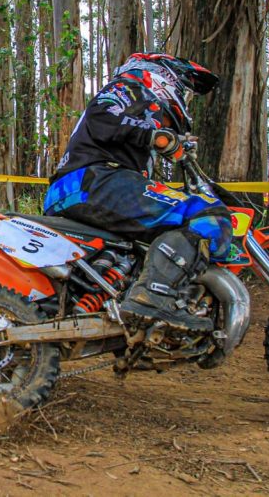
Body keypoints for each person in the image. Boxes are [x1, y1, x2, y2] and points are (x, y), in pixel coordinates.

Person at [43, 52, 232, 333]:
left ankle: (129, 303)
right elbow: (101, 116)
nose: (185, 99)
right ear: (164, 78)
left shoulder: (139, 108)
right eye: (184, 90)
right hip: (91, 181)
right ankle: (152, 299)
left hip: (85, 187)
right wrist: (153, 135)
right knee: (203, 211)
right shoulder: (128, 88)